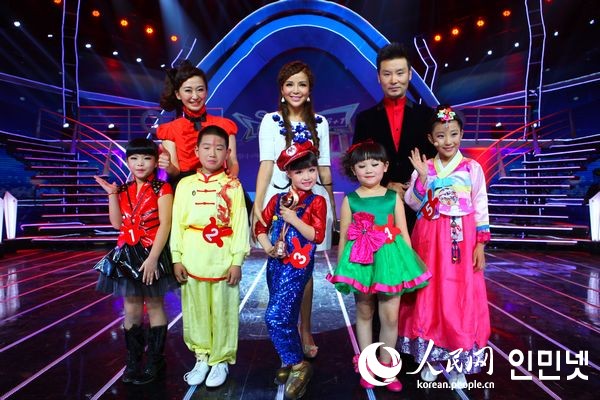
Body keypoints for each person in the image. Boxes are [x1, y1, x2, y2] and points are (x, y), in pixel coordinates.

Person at [398, 105, 491, 389]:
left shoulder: (472, 168)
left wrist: (480, 245)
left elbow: (480, 205)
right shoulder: (425, 167)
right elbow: (414, 203)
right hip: (429, 238)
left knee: (459, 294)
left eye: (453, 134)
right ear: (431, 138)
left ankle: (458, 358)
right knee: (429, 294)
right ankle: (430, 357)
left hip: (462, 239)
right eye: (440, 135)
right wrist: (421, 179)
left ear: (461, 134)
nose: (448, 141)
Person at [326, 140, 430, 392]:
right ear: (353, 170)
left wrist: (408, 264)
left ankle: (387, 366)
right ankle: (367, 365)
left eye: (374, 164)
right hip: (361, 261)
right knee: (364, 312)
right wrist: (341, 268)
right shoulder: (350, 200)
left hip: (390, 261)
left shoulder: (393, 197)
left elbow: (403, 232)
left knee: (390, 316)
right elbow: (345, 236)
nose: (369, 170)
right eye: (362, 166)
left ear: (385, 166)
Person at [253, 60, 335, 359]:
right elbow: (266, 164)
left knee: (305, 266)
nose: (296, 90)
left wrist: (332, 205)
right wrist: (258, 203)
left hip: (312, 203)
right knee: (280, 263)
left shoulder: (321, 123)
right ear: (282, 89)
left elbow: (323, 166)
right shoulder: (270, 120)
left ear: (310, 89)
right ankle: (285, 328)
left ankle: (306, 329)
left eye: (302, 84)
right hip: (278, 200)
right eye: (290, 84)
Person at [170, 125, 250, 388]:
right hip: (192, 257)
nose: (212, 153)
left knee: (223, 310)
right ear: (196, 150)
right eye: (206, 147)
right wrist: (176, 257)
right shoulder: (184, 185)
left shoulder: (233, 186)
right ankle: (202, 356)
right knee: (195, 310)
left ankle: (221, 360)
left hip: (222, 258)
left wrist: (237, 261)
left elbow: (240, 224)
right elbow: (176, 224)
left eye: (219, 148)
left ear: (227, 153)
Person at [93, 138, 176, 385]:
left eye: (147, 158)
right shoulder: (123, 189)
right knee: (131, 308)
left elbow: (166, 224)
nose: (140, 163)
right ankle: (133, 361)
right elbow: (116, 224)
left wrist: (153, 258)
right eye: (135, 158)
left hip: (152, 252)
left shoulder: (162, 188)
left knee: (155, 304)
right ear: (127, 161)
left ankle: (156, 360)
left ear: (155, 162)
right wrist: (111, 195)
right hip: (127, 254)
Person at [254, 142, 327, 399]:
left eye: (311, 170)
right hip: (276, 265)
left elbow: (318, 235)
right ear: (288, 174)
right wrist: (269, 248)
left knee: (274, 316)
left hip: (298, 266)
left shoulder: (317, 201)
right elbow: (259, 228)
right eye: (299, 172)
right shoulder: (277, 200)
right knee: (286, 314)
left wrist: (294, 219)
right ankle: (289, 356)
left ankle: (298, 365)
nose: (307, 176)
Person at [352, 42, 435, 232]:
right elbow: (358, 162)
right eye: (387, 74)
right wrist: (386, 185)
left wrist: (414, 187)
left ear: (410, 74)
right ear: (378, 77)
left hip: (420, 205)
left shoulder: (427, 116)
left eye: (400, 73)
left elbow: (435, 161)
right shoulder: (365, 119)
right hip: (379, 204)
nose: (394, 80)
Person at [156, 60, 239, 187]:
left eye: (200, 90)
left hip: (218, 183)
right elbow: (175, 172)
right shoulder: (170, 129)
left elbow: (232, 161)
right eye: (188, 90)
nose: (195, 96)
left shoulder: (224, 125)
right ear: (178, 94)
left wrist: (232, 178)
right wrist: (168, 166)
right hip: (185, 186)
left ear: (206, 92)